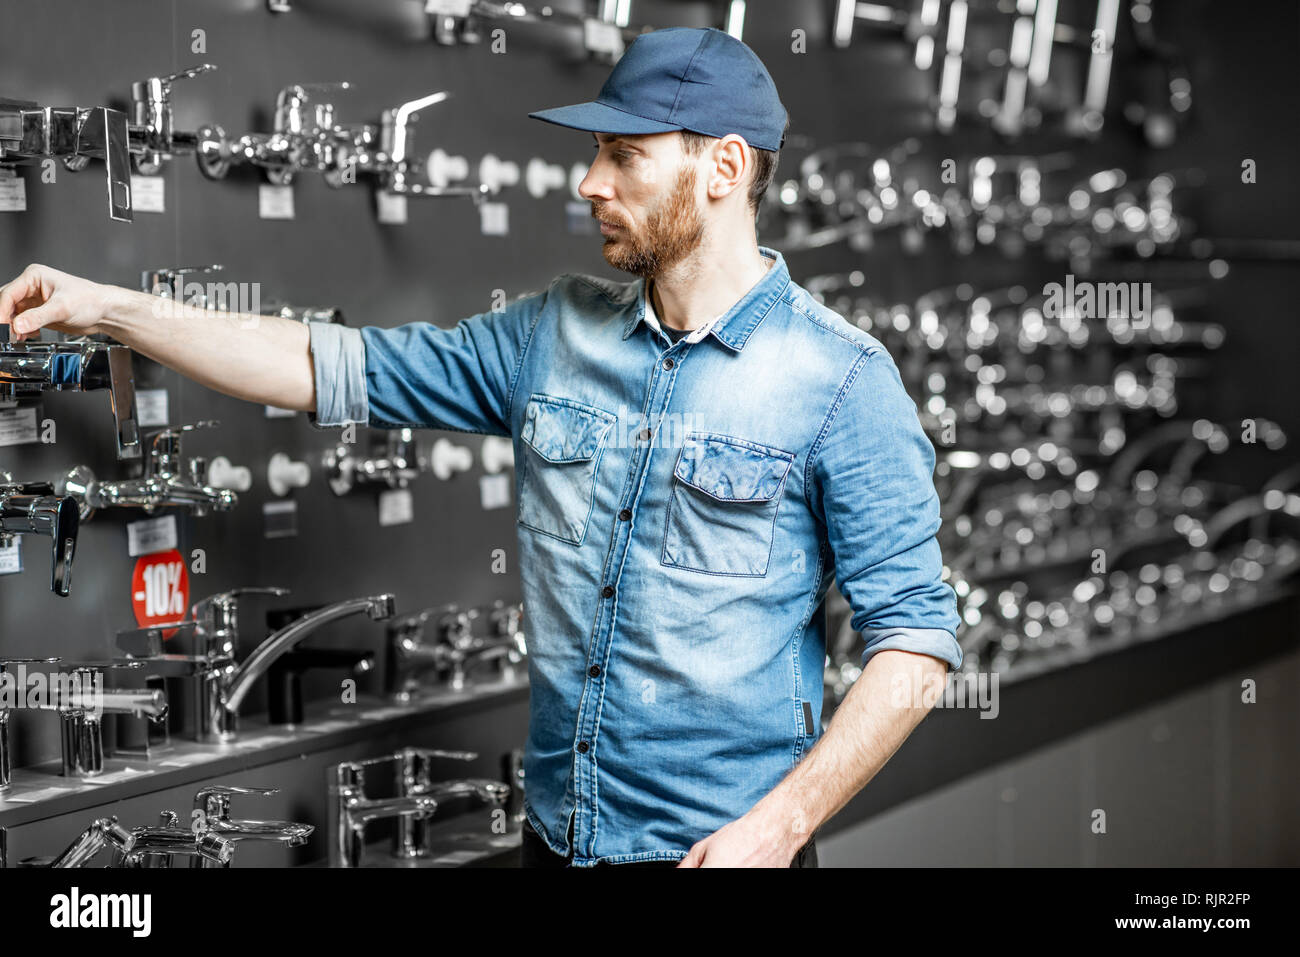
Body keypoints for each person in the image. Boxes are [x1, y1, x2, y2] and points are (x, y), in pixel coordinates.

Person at [0, 26, 961, 868]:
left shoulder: (840, 381)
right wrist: (112, 310)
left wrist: (781, 826)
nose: (590, 182)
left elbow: (916, 644)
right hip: (553, 841)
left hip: (722, 855)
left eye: (625, 156)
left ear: (726, 167)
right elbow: (322, 361)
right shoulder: (549, 334)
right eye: (595, 152)